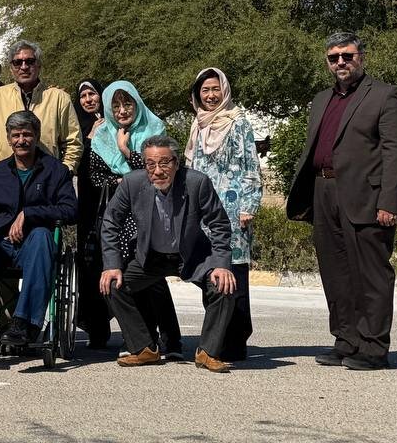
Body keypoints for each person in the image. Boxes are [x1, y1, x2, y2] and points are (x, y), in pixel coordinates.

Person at [286, 32, 397, 370]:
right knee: (335, 273)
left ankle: (372, 348)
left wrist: (389, 202)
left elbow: (395, 152)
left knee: (371, 276)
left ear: (361, 57)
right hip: (323, 192)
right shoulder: (321, 99)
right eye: (333, 57)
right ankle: (346, 340)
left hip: (367, 198)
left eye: (347, 55)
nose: (341, 61)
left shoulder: (385, 96)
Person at [100, 134, 237, 373]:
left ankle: (208, 351)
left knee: (222, 286)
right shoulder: (132, 183)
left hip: (193, 256)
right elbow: (111, 223)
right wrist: (111, 264)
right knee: (112, 285)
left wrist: (221, 264)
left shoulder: (197, 182)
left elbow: (219, 224)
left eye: (164, 163)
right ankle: (144, 348)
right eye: (150, 164)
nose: (158, 171)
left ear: (176, 163)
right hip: (150, 257)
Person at [0, 110, 78, 349]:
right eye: (15, 135)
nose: (21, 140)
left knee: (43, 235)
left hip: (33, 247)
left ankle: (24, 321)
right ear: (8, 138)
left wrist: (31, 213)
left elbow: (70, 209)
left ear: (36, 136)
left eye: (27, 134)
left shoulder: (56, 171)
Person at [86, 81, 182, 357]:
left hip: (151, 215)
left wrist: (126, 150)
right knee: (125, 278)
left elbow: (159, 171)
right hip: (117, 215)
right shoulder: (102, 136)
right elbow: (96, 177)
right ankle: (143, 339)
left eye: (127, 104)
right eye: (115, 105)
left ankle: (171, 339)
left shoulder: (154, 130)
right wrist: (126, 177)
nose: (122, 110)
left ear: (137, 103)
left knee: (152, 276)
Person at [184, 67, 264, 361]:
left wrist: (249, 206)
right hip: (205, 211)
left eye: (215, 89)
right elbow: (192, 167)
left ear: (225, 90)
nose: (210, 95)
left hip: (233, 210)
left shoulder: (239, 122)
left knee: (236, 275)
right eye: (204, 90)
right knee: (210, 274)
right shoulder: (198, 124)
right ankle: (216, 338)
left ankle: (236, 340)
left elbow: (251, 165)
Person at [0, 40, 81, 181]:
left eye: (29, 61)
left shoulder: (58, 98)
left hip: (47, 180)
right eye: (18, 62)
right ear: (11, 67)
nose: (24, 67)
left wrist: (65, 172)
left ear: (38, 65)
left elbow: (73, 141)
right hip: (3, 181)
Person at [72, 79, 110, 348]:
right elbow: (77, 164)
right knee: (91, 264)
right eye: (83, 95)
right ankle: (96, 329)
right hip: (90, 206)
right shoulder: (80, 129)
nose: (88, 99)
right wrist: (89, 139)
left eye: (92, 94)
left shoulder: (117, 123)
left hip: (117, 203)